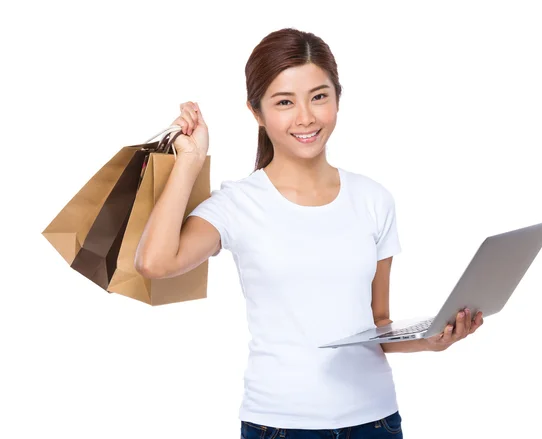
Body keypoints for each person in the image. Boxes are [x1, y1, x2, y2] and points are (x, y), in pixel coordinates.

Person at [135, 28, 484, 439]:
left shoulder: (374, 199)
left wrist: (430, 341)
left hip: (376, 422)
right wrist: (189, 162)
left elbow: (378, 324)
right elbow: (154, 263)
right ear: (256, 112)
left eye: (319, 96)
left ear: (338, 97)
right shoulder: (238, 204)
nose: (306, 117)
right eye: (284, 102)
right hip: (280, 425)